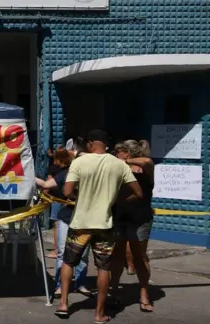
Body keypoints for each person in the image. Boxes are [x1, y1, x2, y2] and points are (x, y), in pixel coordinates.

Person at [54, 129, 143, 324]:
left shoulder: (79, 162)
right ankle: (99, 314)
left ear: (91, 143)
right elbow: (138, 193)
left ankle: (63, 304)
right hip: (105, 224)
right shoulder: (119, 164)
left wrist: (78, 198)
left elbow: (67, 191)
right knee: (103, 267)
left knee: (69, 262)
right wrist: (117, 201)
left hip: (80, 224)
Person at [35, 147, 91, 298]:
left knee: (83, 255)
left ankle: (80, 283)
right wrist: (27, 176)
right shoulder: (66, 174)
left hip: (86, 220)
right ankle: (59, 285)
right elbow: (46, 185)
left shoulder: (94, 176)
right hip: (66, 218)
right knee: (62, 253)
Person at [110, 139, 155, 313]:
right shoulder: (118, 168)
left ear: (127, 153)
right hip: (119, 217)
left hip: (140, 218)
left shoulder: (144, 169)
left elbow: (148, 161)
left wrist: (125, 162)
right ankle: (113, 290)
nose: (116, 155)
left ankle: (144, 293)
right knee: (117, 256)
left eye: (118, 152)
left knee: (140, 257)